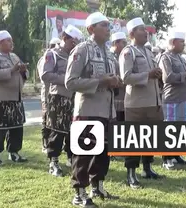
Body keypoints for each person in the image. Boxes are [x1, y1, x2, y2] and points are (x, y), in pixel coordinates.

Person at [65, 12, 120, 207]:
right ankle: (79, 193)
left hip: (106, 110)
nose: (108, 29)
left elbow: (115, 79)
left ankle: (97, 187)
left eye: (108, 25)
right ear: (91, 29)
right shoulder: (82, 50)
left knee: (103, 151)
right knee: (84, 152)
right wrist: (101, 81)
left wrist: (115, 82)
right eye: (103, 25)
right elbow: (70, 82)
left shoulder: (110, 53)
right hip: (87, 109)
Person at [119, 17, 163, 189]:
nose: (146, 32)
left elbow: (152, 74)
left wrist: (156, 75)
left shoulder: (148, 51)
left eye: (145, 29)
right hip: (136, 104)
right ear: (131, 33)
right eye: (141, 29)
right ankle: (131, 174)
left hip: (153, 101)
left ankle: (147, 168)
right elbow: (125, 77)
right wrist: (148, 75)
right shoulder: (128, 52)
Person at [40, 25, 83, 176]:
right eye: (73, 42)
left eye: (77, 43)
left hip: (75, 98)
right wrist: (67, 80)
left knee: (74, 131)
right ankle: (54, 162)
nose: (75, 45)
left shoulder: (76, 56)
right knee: (57, 130)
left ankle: (71, 158)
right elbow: (45, 75)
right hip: (58, 97)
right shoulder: (52, 54)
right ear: (65, 38)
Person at [0, 30, 28, 165]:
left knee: (16, 127)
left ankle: (14, 153)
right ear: (0, 42)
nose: (11, 43)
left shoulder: (14, 56)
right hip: (0, 98)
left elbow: (24, 73)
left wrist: (24, 70)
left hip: (16, 97)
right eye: (8, 40)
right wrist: (12, 70)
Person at [159, 31, 186, 170]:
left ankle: (176, 154)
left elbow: (185, 75)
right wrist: (185, 74)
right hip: (173, 98)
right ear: (173, 42)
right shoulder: (166, 57)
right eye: (181, 42)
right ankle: (166, 158)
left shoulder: (180, 57)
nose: (184, 44)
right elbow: (167, 77)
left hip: (184, 97)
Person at [38, 38, 61, 154]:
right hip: (47, 94)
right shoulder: (46, 59)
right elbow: (45, 76)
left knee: (54, 121)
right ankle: (45, 143)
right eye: (53, 45)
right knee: (46, 120)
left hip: (55, 94)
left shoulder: (59, 57)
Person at [110, 31, 127, 161]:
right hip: (114, 96)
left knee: (121, 123)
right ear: (116, 43)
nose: (125, 45)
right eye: (123, 43)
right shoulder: (110, 57)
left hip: (123, 96)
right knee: (114, 123)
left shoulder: (123, 55)